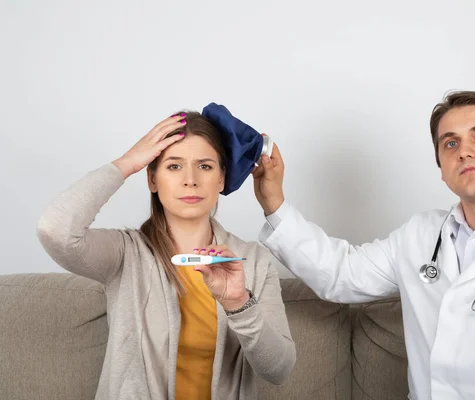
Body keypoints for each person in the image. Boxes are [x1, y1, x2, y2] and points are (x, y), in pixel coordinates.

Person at [251, 90, 475, 399]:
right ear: (442, 169)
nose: (464, 151)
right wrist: (274, 202)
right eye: (450, 143)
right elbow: (342, 274)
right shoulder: (420, 234)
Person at [37, 111, 296, 400]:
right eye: (174, 166)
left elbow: (279, 370)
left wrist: (238, 304)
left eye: (205, 166)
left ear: (222, 179)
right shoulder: (125, 254)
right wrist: (126, 163)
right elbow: (54, 230)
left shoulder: (254, 262)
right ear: (152, 179)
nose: (190, 180)